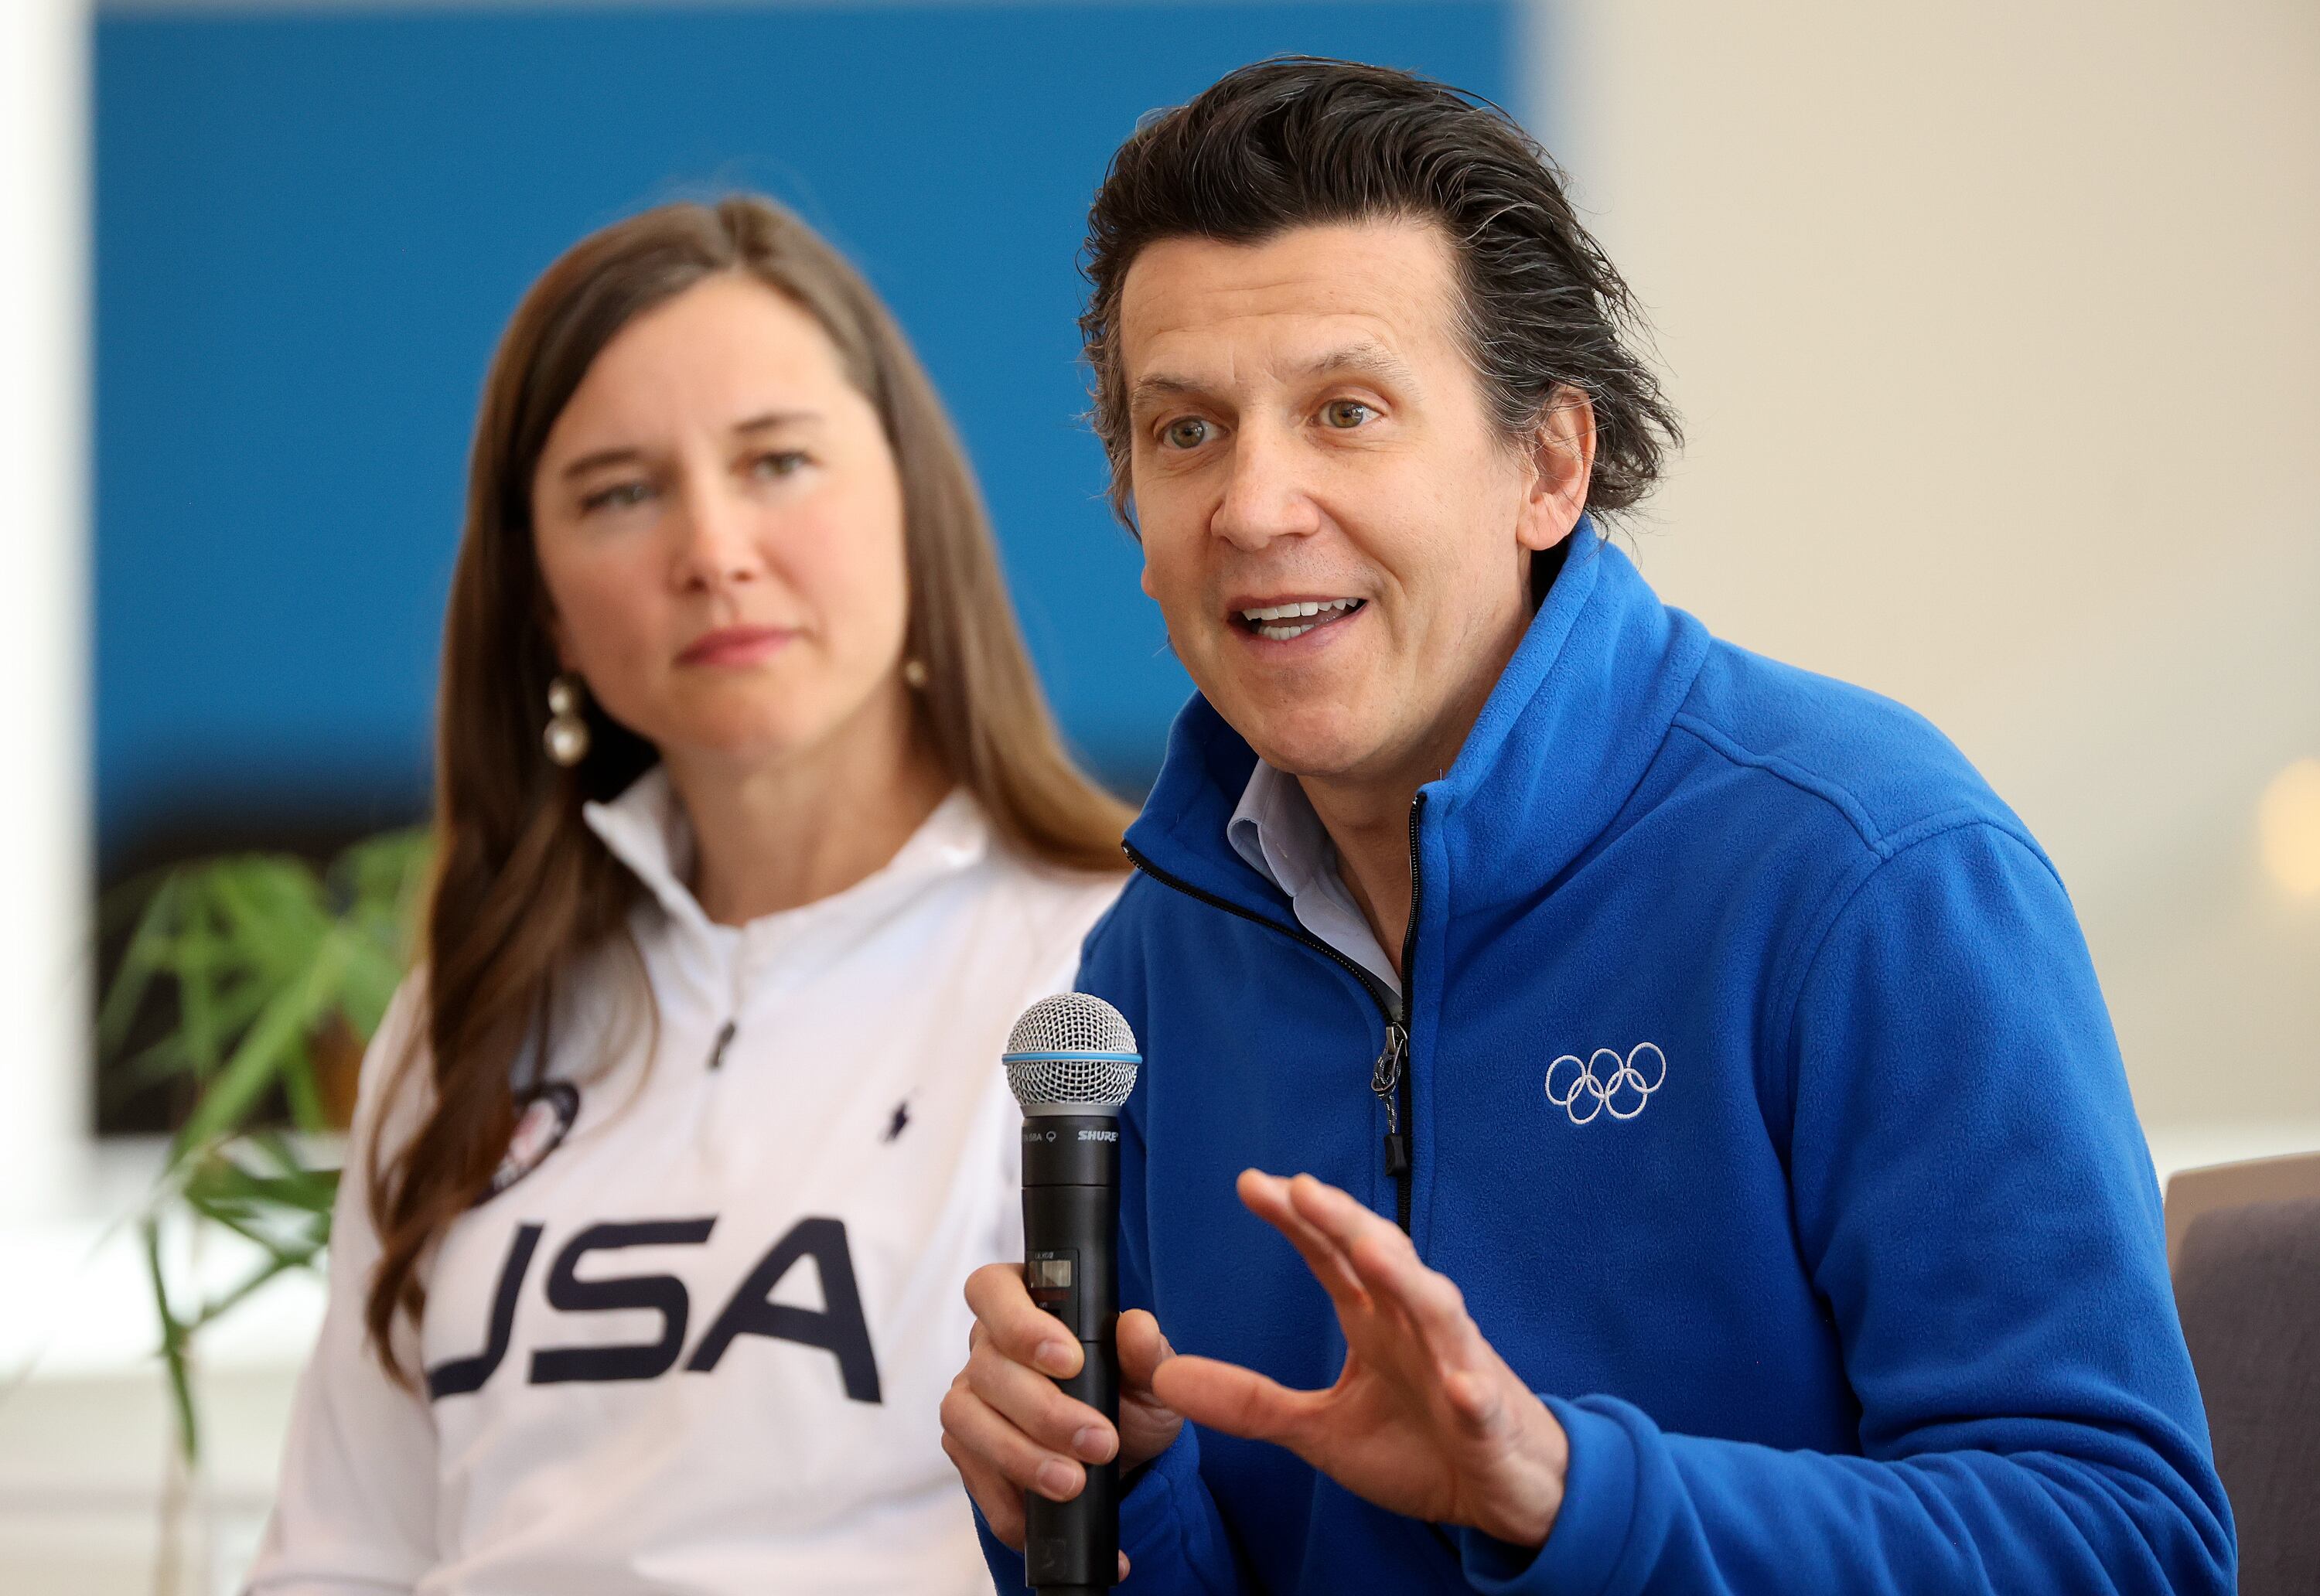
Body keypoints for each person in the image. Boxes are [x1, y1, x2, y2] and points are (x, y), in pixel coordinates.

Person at [940, 58, 2235, 1595]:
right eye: (1186, 432)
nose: (1254, 504)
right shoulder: (1155, 961)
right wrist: (1108, 1496)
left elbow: (2123, 1545)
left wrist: (1569, 1499)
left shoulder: (1866, 868)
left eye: (1347, 413)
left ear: (1549, 466)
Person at [247, 196, 1128, 1594]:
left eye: (777, 461)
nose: (711, 550)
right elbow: (339, 1557)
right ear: (540, 601)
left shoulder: (1111, 969)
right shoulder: (463, 1023)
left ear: (912, 501)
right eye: (619, 492)